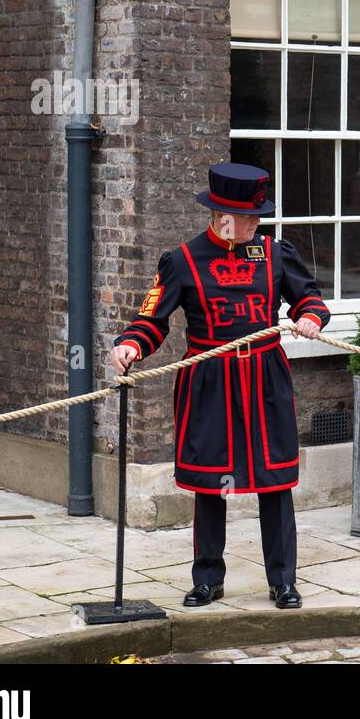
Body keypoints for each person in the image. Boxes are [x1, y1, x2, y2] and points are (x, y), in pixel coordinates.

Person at [109, 163, 330, 609]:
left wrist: (309, 317)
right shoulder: (182, 261)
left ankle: (282, 581)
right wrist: (131, 345)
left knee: (275, 481)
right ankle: (207, 579)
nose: (256, 223)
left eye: (257, 216)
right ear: (220, 216)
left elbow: (309, 298)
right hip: (208, 381)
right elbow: (151, 321)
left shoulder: (274, 254)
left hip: (265, 377)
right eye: (249, 217)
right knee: (211, 485)